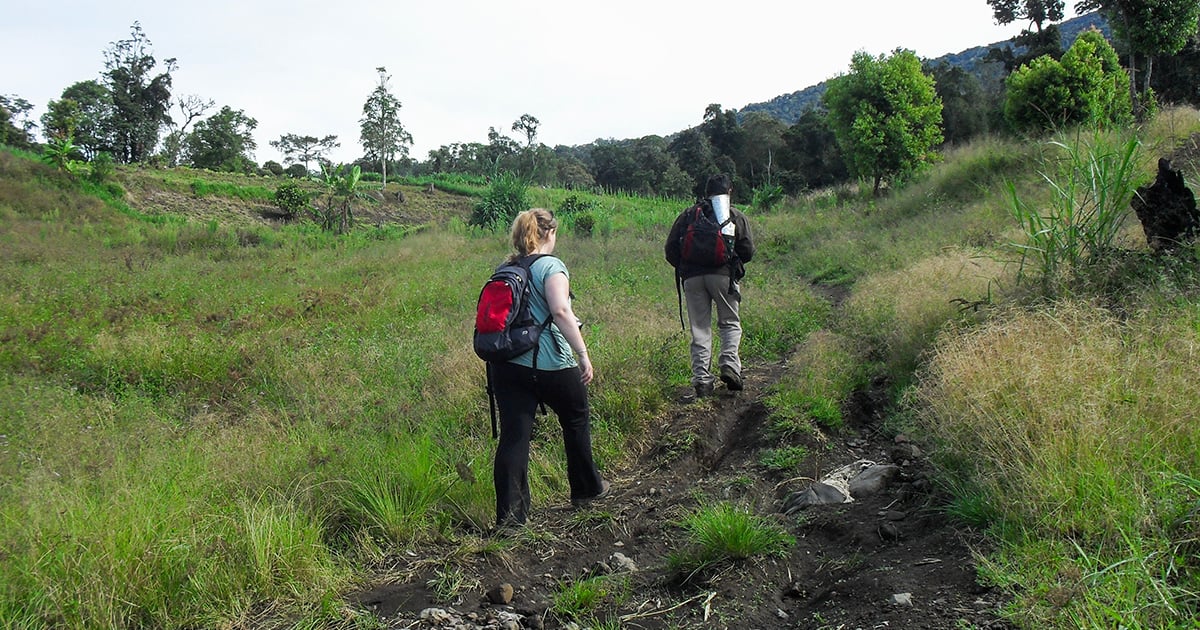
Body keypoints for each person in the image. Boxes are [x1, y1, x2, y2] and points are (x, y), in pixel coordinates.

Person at [491, 208, 610, 530]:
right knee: (575, 417)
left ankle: (511, 520)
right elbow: (559, 310)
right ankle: (586, 490)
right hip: (549, 363)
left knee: (514, 436)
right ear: (550, 234)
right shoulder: (552, 266)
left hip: (505, 365)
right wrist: (583, 353)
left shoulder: (507, 267)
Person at [664, 174, 756, 399]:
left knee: (700, 328)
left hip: (692, 279)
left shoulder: (688, 215)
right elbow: (748, 251)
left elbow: (670, 250)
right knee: (729, 323)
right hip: (724, 276)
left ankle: (702, 381)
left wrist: (688, 267)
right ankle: (729, 365)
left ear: (706, 192)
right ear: (729, 192)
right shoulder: (734, 215)